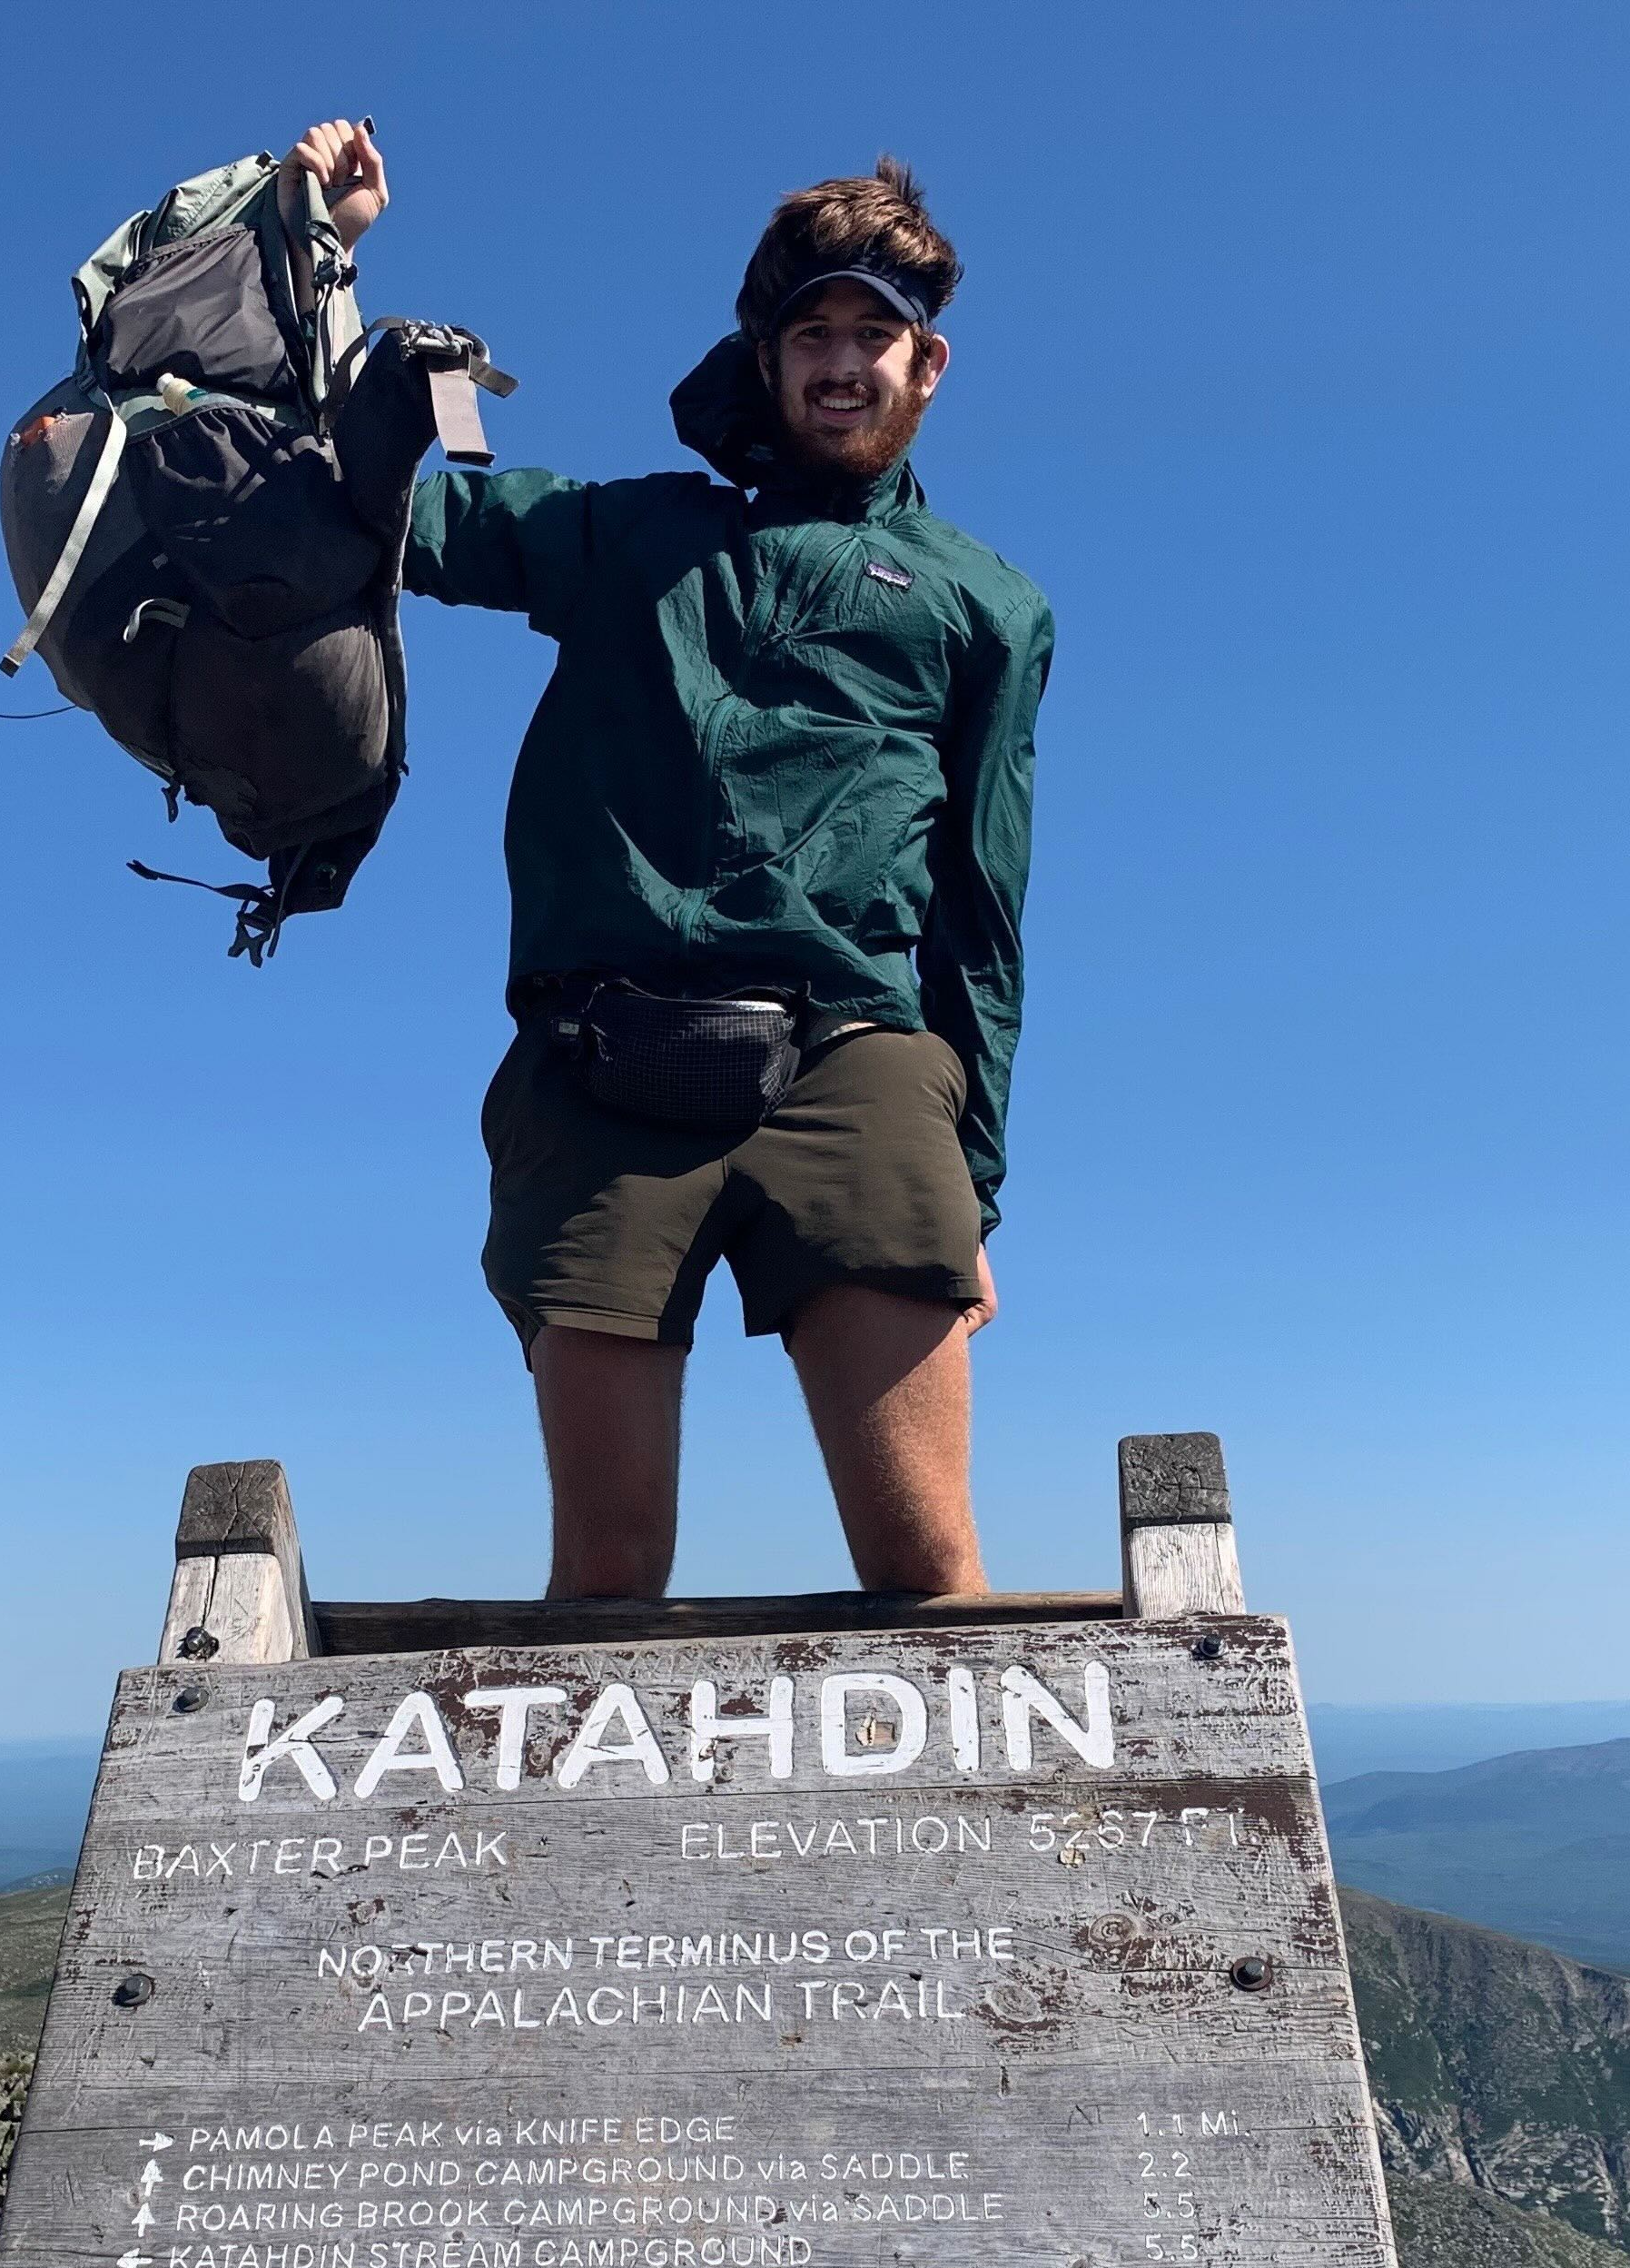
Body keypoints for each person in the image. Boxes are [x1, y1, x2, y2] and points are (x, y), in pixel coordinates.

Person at [291, 120, 1051, 1604]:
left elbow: (984, 910)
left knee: (927, 1565)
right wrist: (336, 256)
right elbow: (408, 513)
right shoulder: (631, 535)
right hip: (600, 1053)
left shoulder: (988, 606)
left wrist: (975, 1186)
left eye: (875, 335)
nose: (843, 363)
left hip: (859, 1062)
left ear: (928, 365)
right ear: (764, 362)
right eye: (811, 333)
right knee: (609, 1574)